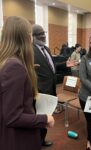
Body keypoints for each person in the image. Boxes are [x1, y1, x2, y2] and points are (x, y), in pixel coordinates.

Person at [0, 16, 54, 150]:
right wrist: (45, 119)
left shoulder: (7, 61)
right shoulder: (14, 66)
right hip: (19, 139)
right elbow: (12, 117)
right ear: (25, 37)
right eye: (30, 34)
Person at [32, 24, 56, 146]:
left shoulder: (46, 49)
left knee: (47, 115)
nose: (43, 36)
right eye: (40, 35)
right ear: (33, 37)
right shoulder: (30, 50)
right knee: (39, 116)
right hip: (40, 91)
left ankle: (42, 140)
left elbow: (50, 67)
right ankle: (36, 141)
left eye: (44, 34)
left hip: (51, 88)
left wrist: (64, 64)